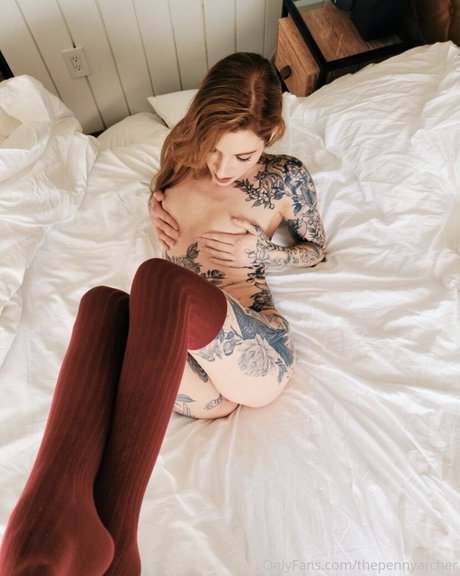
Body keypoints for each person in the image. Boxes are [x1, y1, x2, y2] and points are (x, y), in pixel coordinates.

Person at [0, 52, 325, 576]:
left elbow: (315, 251)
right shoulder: (180, 152)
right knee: (101, 305)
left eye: (242, 155)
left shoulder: (287, 179)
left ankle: (113, 533)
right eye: (214, 148)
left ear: (270, 135)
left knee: (154, 278)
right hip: (189, 377)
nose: (222, 169)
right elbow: (165, 189)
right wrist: (157, 203)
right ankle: (68, 539)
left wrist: (263, 252)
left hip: (254, 354)